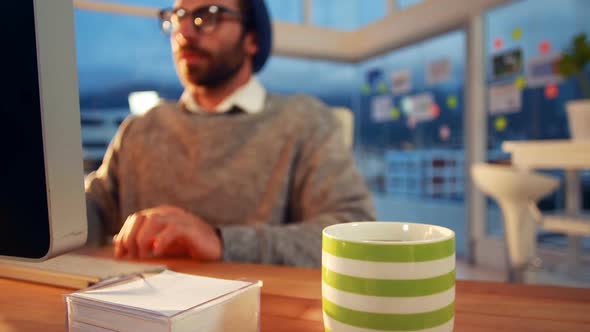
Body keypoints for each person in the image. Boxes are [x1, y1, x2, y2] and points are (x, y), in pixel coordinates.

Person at [84, 0, 375, 267]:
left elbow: (354, 229)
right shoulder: (140, 128)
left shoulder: (304, 120)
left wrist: (222, 241)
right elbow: (93, 210)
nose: (184, 31)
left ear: (252, 40)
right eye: (178, 17)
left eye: (207, 16)